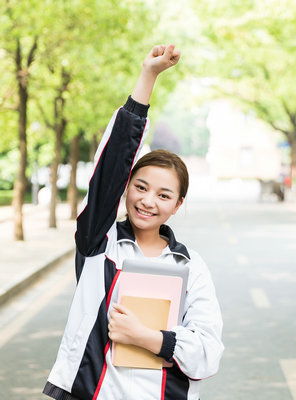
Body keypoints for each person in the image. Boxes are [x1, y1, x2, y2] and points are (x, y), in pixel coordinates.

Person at [43, 44, 224, 400]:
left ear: (178, 204)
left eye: (163, 195)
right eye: (140, 187)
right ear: (126, 189)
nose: (147, 200)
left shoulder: (190, 267)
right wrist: (148, 76)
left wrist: (145, 337)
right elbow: (111, 165)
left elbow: (207, 352)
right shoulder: (101, 244)